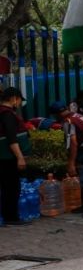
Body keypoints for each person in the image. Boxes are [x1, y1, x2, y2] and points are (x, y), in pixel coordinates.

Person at [0, 87, 30, 225]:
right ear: (13, 98)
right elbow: (12, 138)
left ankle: (9, 216)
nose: (18, 103)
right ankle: (11, 217)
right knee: (12, 187)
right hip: (7, 158)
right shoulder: (7, 115)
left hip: (3, 158)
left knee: (7, 187)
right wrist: (20, 157)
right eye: (18, 100)